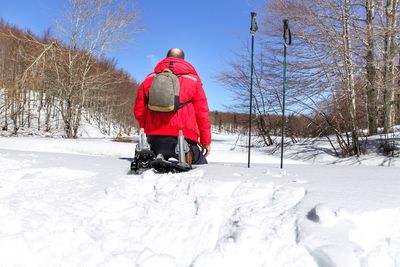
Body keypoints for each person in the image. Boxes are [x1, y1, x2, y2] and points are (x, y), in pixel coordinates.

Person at [134, 48, 211, 165]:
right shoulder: (193, 80)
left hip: (153, 141)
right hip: (185, 140)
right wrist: (205, 141)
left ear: (167, 58)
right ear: (183, 59)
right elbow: (202, 113)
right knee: (202, 166)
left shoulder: (150, 78)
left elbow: (139, 111)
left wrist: (147, 130)